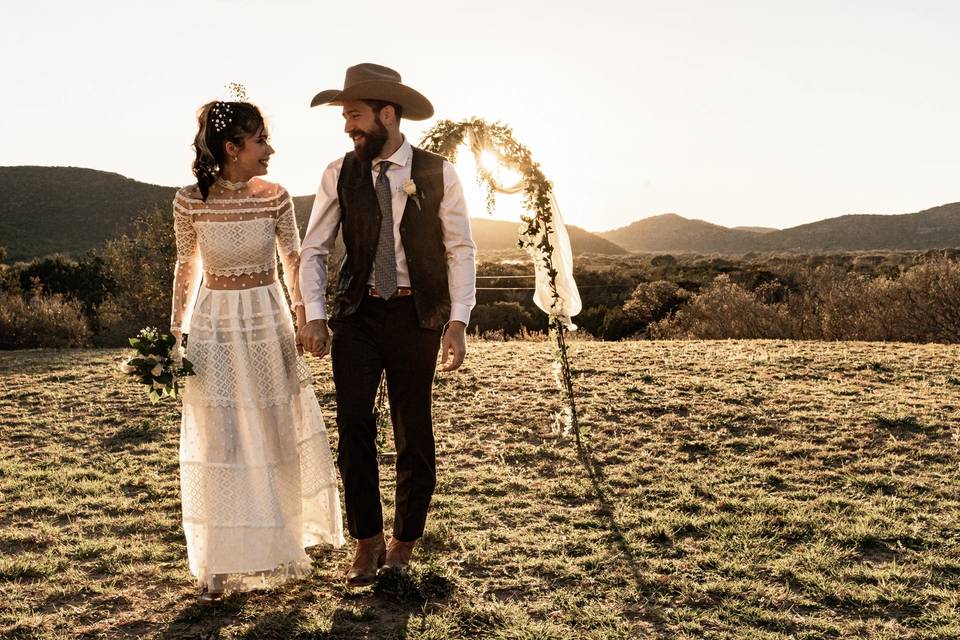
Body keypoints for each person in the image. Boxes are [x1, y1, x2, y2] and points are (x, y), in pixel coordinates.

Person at [298, 63, 476, 587]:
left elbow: (460, 249)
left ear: (387, 114)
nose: (347, 127)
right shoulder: (338, 172)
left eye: (354, 115)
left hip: (415, 316)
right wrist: (314, 314)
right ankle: (367, 539)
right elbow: (315, 249)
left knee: (412, 430)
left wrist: (458, 321)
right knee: (353, 427)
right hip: (358, 314)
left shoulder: (438, 172)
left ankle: (404, 541)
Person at [170, 99, 344, 603]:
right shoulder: (188, 201)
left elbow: (294, 258)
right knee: (221, 436)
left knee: (273, 428)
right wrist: (174, 334)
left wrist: (308, 315)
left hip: (268, 321)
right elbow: (186, 266)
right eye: (261, 140)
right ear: (232, 148)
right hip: (215, 325)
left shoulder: (275, 196)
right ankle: (222, 560)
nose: (270, 150)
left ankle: (283, 546)